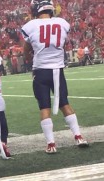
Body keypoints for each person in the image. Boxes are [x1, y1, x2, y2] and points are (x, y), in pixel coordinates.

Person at [21, 0, 88, 154]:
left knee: (44, 107)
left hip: (41, 71)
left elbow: (26, 49)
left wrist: (30, 56)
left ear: (36, 9)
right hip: (58, 70)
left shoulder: (30, 25)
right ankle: (78, 136)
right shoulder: (62, 22)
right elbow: (61, 42)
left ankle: (51, 144)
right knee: (65, 104)